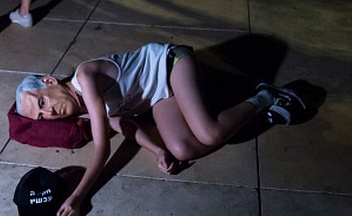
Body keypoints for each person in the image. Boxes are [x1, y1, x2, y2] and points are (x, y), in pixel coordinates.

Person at [15, 42, 307, 216]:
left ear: (50, 82)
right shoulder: (82, 110)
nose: (49, 112)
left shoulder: (85, 76)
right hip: (156, 96)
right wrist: (157, 149)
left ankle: (265, 96)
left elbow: (104, 147)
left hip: (169, 64)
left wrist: (77, 197)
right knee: (182, 149)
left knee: (210, 134)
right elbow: (125, 123)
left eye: (42, 102)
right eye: (41, 116)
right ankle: (252, 114)